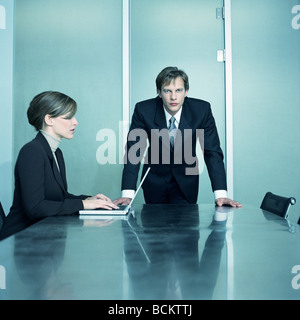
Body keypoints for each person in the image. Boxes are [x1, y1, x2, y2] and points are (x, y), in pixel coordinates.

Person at [114, 66, 241, 207]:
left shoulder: (201, 110)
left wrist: (221, 194)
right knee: (152, 228)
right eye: (167, 91)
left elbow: (212, 153)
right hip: (154, 183)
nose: (173, 97)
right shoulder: (144, 110)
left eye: (178, 90)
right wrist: (127, 194)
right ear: (159, 92)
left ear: (186, 91)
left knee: (187, 228)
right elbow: (134, 152)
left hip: (186, 183)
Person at [0, 91, 118, 240]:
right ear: (49, 119)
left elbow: (59, 197)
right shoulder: (32, 151)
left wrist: (90, 200)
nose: (75, 122)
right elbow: (35, 208)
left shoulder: (56, 152)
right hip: (20, 240)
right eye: (68, 117)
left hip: (43, 238)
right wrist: (83, 205)